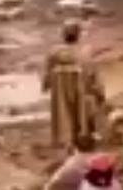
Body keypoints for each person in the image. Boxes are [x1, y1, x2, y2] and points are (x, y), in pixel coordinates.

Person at [43, 21, 106, 150]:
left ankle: (68, 142)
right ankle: (86, 135)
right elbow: (92, 73)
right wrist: (100, 92)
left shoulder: (54, 52)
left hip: (61, 94)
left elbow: (47, 74)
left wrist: (47, 84)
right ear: (78, 35)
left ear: (63, 35)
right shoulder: (84, 52)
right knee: (88, 105)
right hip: (81, 93)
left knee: (65, 113)